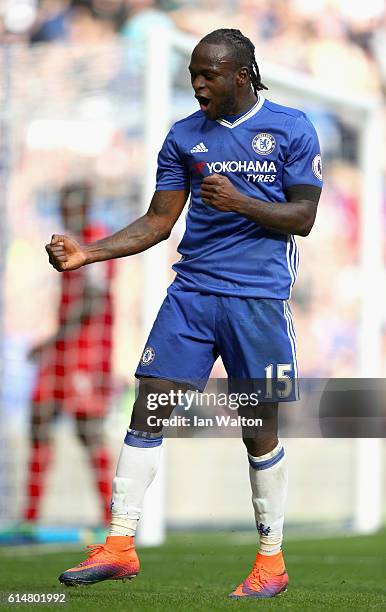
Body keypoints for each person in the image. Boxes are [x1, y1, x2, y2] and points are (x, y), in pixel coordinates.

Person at [47, 29, 322, 598]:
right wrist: (87, 253)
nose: (196, 84)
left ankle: (271, 562)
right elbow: (156, 222)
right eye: (193, 74)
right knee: (151, 404)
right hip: (192, 294)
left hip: (259, 302)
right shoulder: (182, 137)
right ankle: (119, 543)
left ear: (241, 75)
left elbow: (302, 218)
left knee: (257, 430)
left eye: (208, 75)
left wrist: (241, 202)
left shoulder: (291, 127)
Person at [26, 182, 114, 526]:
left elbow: (93, 301)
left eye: (71, 205)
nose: (65, 212)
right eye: (62, 205)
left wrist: (53, 341)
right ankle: (30, 516)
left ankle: (112, 514)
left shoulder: (95, 241)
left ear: (85, 206)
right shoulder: (69, 243)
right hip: (64, 349)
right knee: (40, 419)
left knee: (88, 430)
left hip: (87, 352)